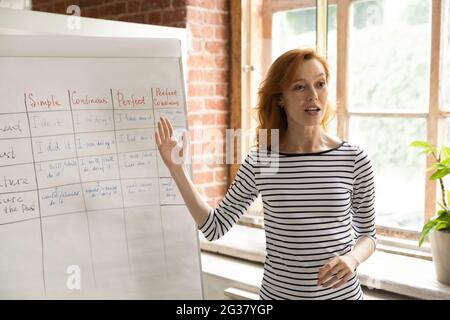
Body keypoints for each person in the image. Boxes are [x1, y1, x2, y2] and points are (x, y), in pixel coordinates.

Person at [154, 48, 376, 300]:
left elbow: (368, 234)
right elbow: (213, 227)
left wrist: (353, 258)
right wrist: (177, 170)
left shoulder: (353, 159)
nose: (313, 96)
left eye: (320, 84)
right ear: (280, 97)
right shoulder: (264, 160)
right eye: (299, 87)